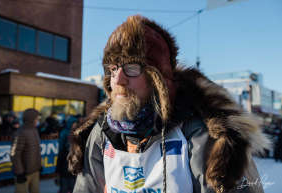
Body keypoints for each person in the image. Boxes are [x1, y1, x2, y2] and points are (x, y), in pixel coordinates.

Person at [67, 15, 271, 193]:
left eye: (131, 67)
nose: (118, 79)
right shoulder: (101, 133)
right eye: (112, 69)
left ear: (158, 81)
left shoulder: (206, 137)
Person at [10, 108, 42, 193]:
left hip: (35, 171)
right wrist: (20, 173)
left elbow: (36, 151)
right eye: (36, 118)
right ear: (31, 118)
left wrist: (39, 165)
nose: (37, 119)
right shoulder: (20, 133)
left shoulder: (34, 130)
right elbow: (15, 154)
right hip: (24, 173)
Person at [56, 116, 78, 193]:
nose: (75, 124)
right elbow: (61, 144)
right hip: (65, 155)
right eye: (74, 123)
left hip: (74, 154)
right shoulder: (64, 132)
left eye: (76, 123)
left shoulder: (76, 131)